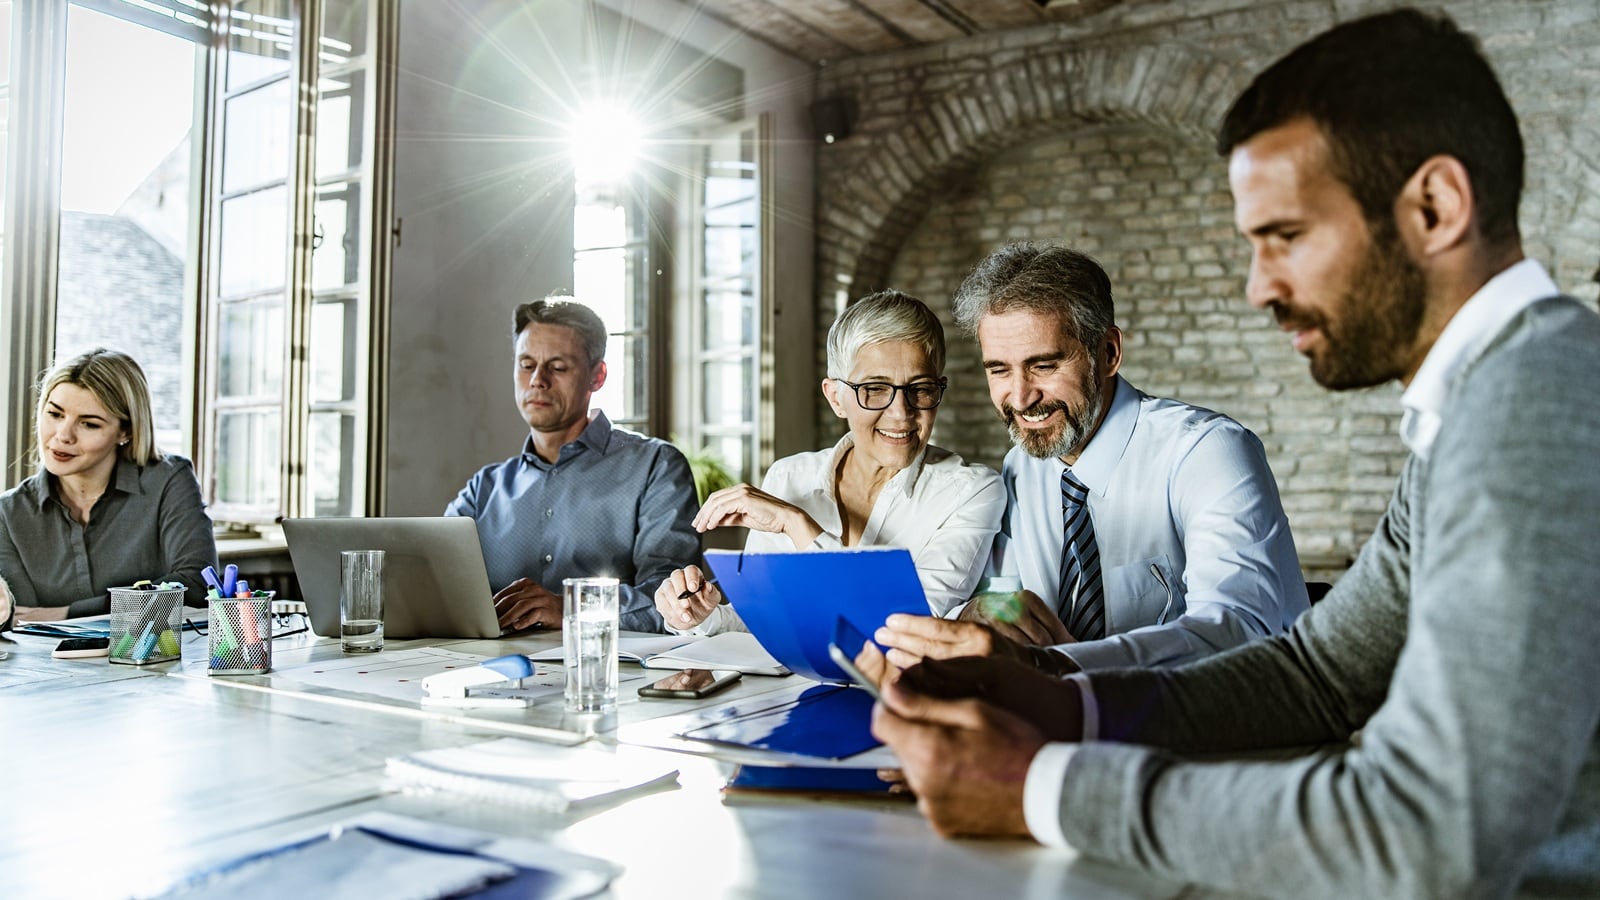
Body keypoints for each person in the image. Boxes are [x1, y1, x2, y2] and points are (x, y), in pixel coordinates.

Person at [869, 9, 1600, 897]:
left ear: (1435, 208)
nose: (1260, 288)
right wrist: (1059, 699)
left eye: (1285, 237)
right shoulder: (1485, 405)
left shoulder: (1538, 405)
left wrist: (1040, 785)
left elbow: (1424, 831)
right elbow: (1317, 675)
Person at [878, 243, 1307, 673]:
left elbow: (1237, 629)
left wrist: (1055, 666)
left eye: (1044, 366)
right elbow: (1003, 598)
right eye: (999, 370)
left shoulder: (1208, 453)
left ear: (1108, 353)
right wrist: (980, 614)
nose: (1021, 397)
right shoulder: (1020, 469)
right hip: (1077, 727)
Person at [653, 290, 1004, 634]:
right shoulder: (789, 476)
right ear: (836, 398)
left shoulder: (973, 491)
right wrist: (701, 616)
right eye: (876, 389)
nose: (901, 413)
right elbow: (767, 619)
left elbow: (913, 620)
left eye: (921, 388)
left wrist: (797, 524)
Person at [446, 297, 699, 633]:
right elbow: (433, 582)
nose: (538, 379)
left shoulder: (656, 467)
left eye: (558, 367)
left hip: (612, 677)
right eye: (526, 364)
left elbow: (675, 603)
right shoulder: (484, 489)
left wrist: (574, 608)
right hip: (491, 674)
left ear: (597, 376)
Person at [0, 349, 218, 630]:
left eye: (89, 423)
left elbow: (196, 585)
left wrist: (67, 613)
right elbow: (24, 619)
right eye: (54, 414)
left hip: (157, 662)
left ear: (125, 432)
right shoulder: (8, 513)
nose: (63, 435)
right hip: (52, 668)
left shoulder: (168, 480)